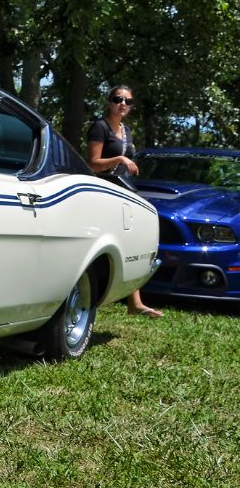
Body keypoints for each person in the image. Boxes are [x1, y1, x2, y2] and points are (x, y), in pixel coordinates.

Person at [86, 85, 163, 318]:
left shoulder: (126, 130)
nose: (123, 104)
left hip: (122, 190)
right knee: (103, 243)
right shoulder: (99, 127)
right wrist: (120, 157)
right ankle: (88, 295)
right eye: (118, 99)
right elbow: (93, 163)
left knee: (131, 239)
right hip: (103, 191)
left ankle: (135, 302)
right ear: (109, 101)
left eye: (128, 101)